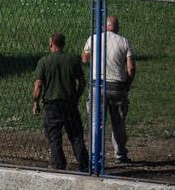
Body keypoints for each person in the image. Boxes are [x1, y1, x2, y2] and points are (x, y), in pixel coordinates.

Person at [33, 32, 89, 172]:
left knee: (54, 137)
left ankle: (59, 166)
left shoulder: (44, 61)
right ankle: (84, 165)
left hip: (52, 105)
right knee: (76, 136)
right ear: (63, 44)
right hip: (70, 103)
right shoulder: (73, 60)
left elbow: (38, 84)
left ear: (51, 44)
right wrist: (76, 96)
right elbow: (82, 82)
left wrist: (36, 102)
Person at [83, 16, 136, 163]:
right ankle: (120, 155)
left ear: (105, 26)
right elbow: (131, 68)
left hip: (96, 85)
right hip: (117, 86)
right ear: (116, 26)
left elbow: (84, 59)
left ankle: (95, 157)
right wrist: (128, 84)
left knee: (96, 122)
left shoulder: (93, 38)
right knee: (118, 122)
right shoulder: (123, 41)